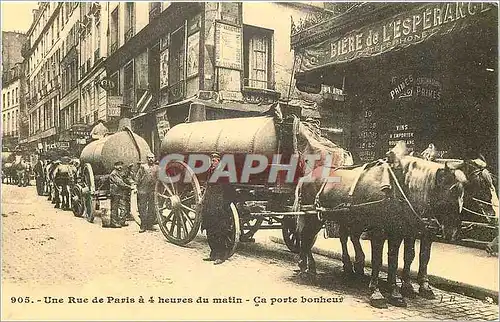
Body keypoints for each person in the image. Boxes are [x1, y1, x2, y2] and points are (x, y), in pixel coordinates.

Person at [201, 153, 236, 265]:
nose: (213, 163)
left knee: (220, 231)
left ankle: (221, 256)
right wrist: (203, 200)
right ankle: (213, 253)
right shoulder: (210, 172)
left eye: (215, 161)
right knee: (210, 230)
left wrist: (225, 205)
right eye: (212, 161)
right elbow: (207, 187)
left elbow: (229, 191)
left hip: (219, 205)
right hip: (210, 204)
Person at [135, 152, 158, 233]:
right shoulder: (143, 167)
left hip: (152, 191)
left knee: (152, 208)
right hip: (143, 190)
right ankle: (143, 225)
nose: (151, 159)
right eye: (149, 158)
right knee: (142, 208)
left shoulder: (157, 167)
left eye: (152, 157)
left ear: (154, 158)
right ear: (147, 159)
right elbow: (138, 178)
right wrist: (135, 187)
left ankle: (150, 225)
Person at [108, 161, 133, 228]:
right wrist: (129, 187)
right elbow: (120, 183)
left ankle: (121, 222)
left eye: (121, 165)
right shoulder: (113, 174)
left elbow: (124, 175)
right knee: (114, 208)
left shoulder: (119, 172)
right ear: (115, 166)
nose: (120, 167)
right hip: (115, 193)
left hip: (119, 192)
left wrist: (128, 169)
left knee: (123, 207)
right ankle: (113, 223)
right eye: (118, 165)